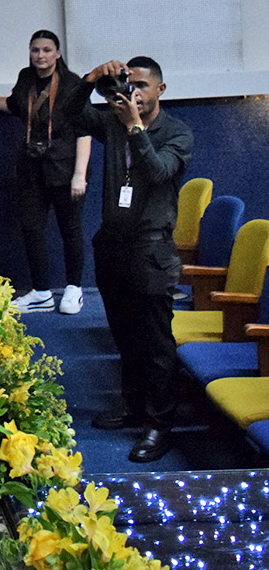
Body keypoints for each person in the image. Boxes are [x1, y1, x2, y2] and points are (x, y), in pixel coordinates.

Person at [64, 56, 192, 463]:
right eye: (128, 83)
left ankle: (159, 425)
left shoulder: (178, 133)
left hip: (151, 250)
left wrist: (136, 126)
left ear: (160, 90)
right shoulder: (112, 122)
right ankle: (133, 404)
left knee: (155, 342)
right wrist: (90, 79)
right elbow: (68, 112)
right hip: (113, 245)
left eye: (141, 86)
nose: (132, 92)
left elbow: (158, 172)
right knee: (124, 334)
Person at [0, 31, 93, 314]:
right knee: (31, 228)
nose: (40, 56)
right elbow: (13, 106)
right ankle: (42, 292)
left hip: (65, 167)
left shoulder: (72, 84)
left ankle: (74, 289)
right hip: (32, 167)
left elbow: (84, 131)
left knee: (70, 229)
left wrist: (79, 175)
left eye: (46, 50)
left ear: (58, 53)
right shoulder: (26, 78)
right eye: (35, 50)